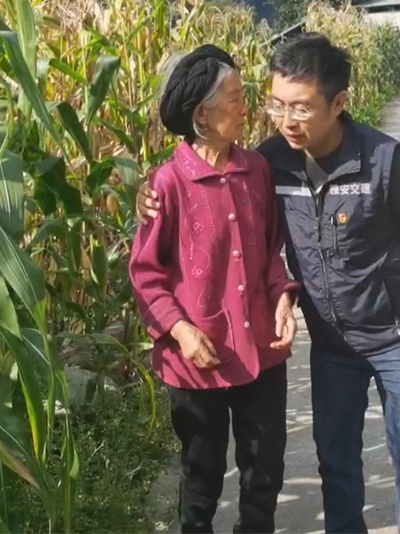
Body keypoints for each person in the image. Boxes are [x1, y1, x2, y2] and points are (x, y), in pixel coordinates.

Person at [136, 33, 400, 534]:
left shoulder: (375, 162)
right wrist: (149, 192)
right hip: (328, 346)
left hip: (396, 337)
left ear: (338, 104)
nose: (283, 119)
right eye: (276, 105)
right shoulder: (259, 164)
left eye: (299, 107)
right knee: (330, 462)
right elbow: (175, 241)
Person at [128, 44, 301, 534]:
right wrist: (180, 330)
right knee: (201, 475)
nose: (246, 107)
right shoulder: (167, 184)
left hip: (261, 348)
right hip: (196, 358)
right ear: (202, 115)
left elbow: (270, 250)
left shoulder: (256, 170)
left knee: (264, 469)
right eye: (236, 98)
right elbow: (145, 273)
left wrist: (283, 296)